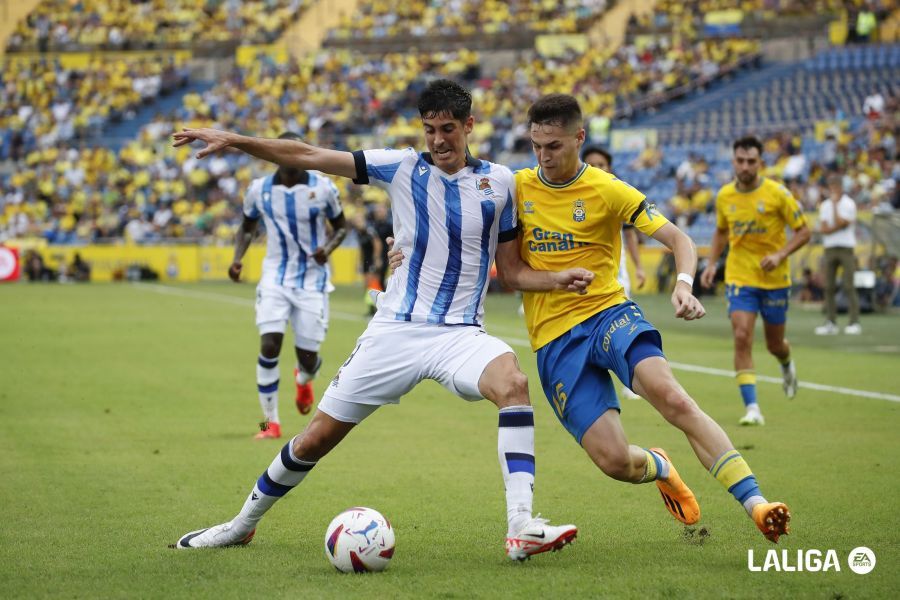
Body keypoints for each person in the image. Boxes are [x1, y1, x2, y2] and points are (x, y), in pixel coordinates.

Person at [170, 80, 591, 560]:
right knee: (317, 438)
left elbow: (512, 272)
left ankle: (521, 527)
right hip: (396, 330)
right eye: (429, 129)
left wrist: (559, 279)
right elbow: (309, 154)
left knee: (513, 382)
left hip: (460, 335)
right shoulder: (401, 166)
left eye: (448, 128)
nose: (437, 140)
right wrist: (238, 139)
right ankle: (240, 524)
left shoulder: (500, 183)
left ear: (469, 126)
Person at [393, 95, 793, 544]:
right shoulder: (515, 186)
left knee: (673, 399)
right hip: (555, 341)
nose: (544, 156)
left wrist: (684, 283)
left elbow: (679, 239)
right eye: (537, 145)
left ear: (579, 138)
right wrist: (404, 252)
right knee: (615, 462)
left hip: (609, 314)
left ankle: (757, 503)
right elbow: (480, 243)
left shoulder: (608, 189)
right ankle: (659, 464)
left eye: (555, 146)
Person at [229, 132, 348, 439]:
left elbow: (341, 227)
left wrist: (329, 248)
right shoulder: (259, 190)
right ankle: (268, 424)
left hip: (312, 281)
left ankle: (303, 379)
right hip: (274, 278)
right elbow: (246, 227)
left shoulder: (322, 188)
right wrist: (237, 258)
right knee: (269, 345)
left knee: (308, 359)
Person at [701, 136, 810, 427]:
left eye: (751, 161)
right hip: (740, 276)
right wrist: (712, 264)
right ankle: (752, 408)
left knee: (775, 344)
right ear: (733, 161)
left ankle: (786, 363)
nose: (746, 166)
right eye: (740, 160)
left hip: (774, 279)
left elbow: (803, 231)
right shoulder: (724, 196)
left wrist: (780, 254)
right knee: (741, 336)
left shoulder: (778, 194)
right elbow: (721, 232)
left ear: (760, 162)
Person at [581, 145, 645, 401]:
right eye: (591, 164)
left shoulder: (617, 194)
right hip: (582, 275)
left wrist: (639, 267)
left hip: (615, 274)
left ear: (610, 168)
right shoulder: (574, 196)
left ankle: (630, 379)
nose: (597, 169)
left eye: (602, 165)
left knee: (623, 325)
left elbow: (630, 235)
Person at [815, 174, 861, 335]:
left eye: (835, 187)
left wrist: (835, 208)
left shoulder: (849, 204)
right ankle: (830, 322)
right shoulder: (824, 205)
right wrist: (835, 226)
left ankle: (854, 322)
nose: (833, 190)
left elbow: (841, 224)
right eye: (831, 187)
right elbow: (824, 228)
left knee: (849, 286)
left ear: (841, 188)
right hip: (829, 248)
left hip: (846, 248)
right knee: (828, 286)